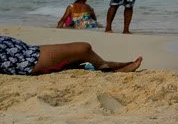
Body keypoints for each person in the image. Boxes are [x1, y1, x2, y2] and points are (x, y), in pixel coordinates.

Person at [1, 34, 138, 75]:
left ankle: (107, 65)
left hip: (28, 53)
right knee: (84, 48)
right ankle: (107, 67)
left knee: (82, 51)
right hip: (28, 60)